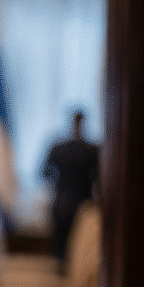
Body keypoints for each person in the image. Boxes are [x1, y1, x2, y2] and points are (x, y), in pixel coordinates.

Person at [43, 110, 99, 268]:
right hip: (83, 204)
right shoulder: (91, 150)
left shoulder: (58, 148)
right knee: (77, 255)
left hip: (62, 204)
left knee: (64, 255)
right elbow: (99, 179)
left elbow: (44, 173)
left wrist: (58, 184)